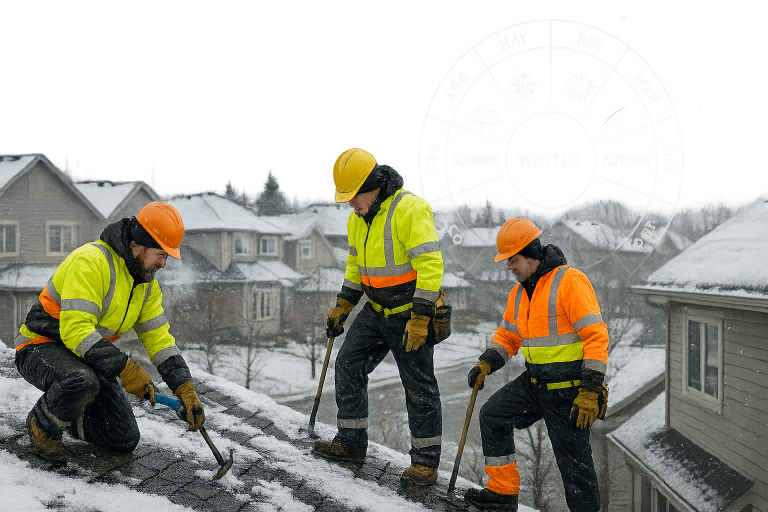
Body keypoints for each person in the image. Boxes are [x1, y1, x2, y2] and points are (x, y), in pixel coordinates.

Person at [15, 202, 205, 462]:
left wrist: (185, 388)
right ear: (139, 245)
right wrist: (125, 369)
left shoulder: (146, 285)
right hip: (40, 346)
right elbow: (75, 330)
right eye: (161, 254)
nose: (164, 263)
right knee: (82, 381)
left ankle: (66, 413)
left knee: (122, 438)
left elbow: (159, 339)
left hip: (85, 356)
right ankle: (43, 427)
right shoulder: (91, 262)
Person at [312, 147, 445, 486]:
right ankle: (351, 445)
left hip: (408, 313)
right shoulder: (357, 219)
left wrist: (420, 318)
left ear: (372, 185)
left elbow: (430, 266)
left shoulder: (410, 208)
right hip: (375, 310)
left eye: (353, 196)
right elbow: (356, 265)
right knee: (348, 364)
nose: (350, 204)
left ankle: (425, 465)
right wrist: (344, 303)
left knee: (419, 388)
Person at [464, 218, 608, 512]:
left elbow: (596, 335)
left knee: (576, 469)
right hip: (534, 384)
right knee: (493, 415)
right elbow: (508, 336)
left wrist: (591, 389)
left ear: (531, 253)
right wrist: (486, 363)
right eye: (507, 262)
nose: (509, 267)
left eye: (513, 260)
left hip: (569, 391)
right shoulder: (519, 293)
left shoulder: (570, 281)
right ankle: (502, 495)